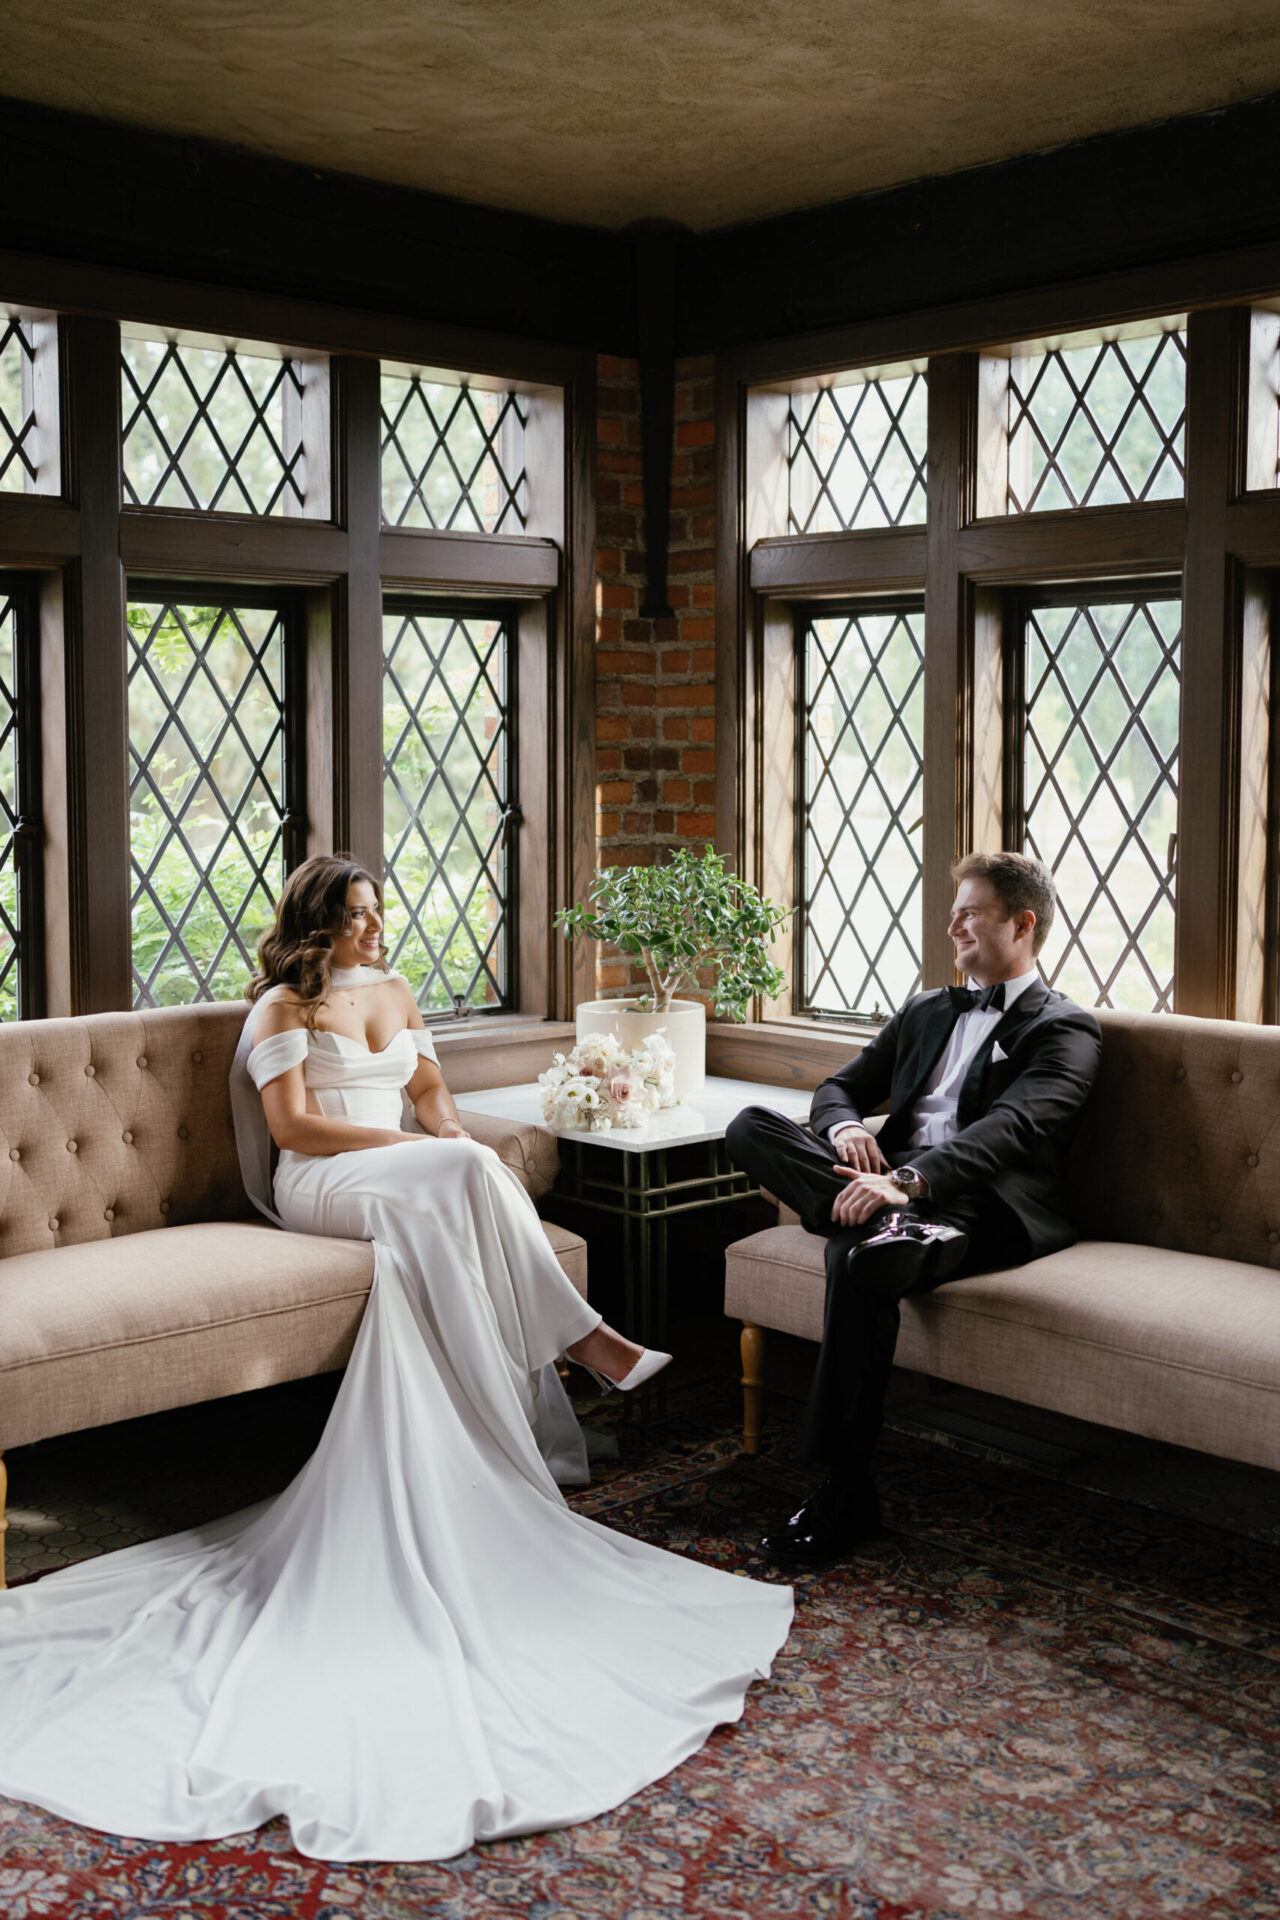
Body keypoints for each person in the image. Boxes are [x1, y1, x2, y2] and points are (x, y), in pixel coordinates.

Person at [0, 855, 792, 1862]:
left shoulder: (396, 991)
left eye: (379, 914)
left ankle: (567, 1344)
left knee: (468, 1170)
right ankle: (581, 1337)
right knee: (453, 1173)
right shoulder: (283, 1010)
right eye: (360, 919)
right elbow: (291, 1130)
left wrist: (469, 1160)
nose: (379, 931)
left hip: (398, 1175)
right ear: (317, 930)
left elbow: (430, 1095)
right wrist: (433, 1160)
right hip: (321, 1185)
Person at [726, 851, 1101, 1567]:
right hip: (892, 1189)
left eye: (970, 911)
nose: (951, 923)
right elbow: (840, 1086)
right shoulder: (927, 1007)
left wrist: (912, 1182)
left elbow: (1013, 1130)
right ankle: (885, 1225)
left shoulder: (1065, 1030)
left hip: (980, 1207)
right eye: (953, 909)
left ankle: (845, 1489)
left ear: (1022, 925)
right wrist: (845, 1132)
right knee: (749, 1124)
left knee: (860, 1257)